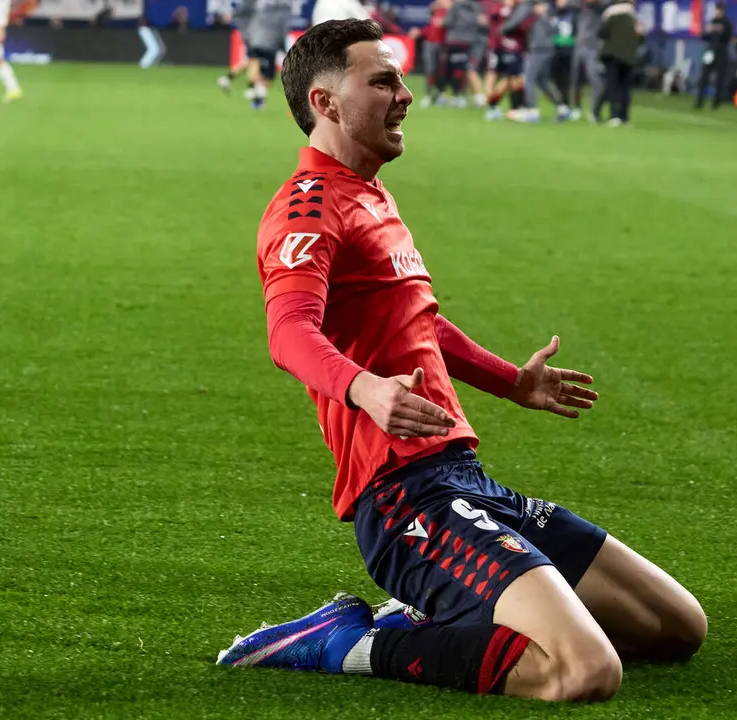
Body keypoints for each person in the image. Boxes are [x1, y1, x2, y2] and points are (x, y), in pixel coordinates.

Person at [216, 17, 707, 702]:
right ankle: (345, 642)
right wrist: (366, 391)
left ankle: (450, 613)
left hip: (465, 481)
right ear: (324, 103)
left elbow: (422, 324)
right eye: (382, 80)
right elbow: (288, 333)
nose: (405, 94)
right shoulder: (308, 206)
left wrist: (513, 382)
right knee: (584, 672)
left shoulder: (370, 194)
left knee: (676, 627)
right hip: (403, 500)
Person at [244, 0, 296, 110]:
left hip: (254, 43)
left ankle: (255, 93)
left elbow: (251, 26)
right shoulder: (281, 17)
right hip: (268, 46)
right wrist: (285, 50)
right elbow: (282, 34)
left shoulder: (261, 13)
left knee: (257, 70)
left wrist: (249, 40)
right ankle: (258, 100)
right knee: (268, 76)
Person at [598, 0, 639, 126]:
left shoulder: (611, 14)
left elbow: (602, 33)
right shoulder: (634, 17)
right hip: (628, 57)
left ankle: (614, 115)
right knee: (624, 87)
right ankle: (624, 116)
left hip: (612, 55)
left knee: (612, 86)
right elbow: (640, 37)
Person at [439, 0, 487, 108]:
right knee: (466, 70)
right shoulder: (477, 6)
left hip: (457, 42)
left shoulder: (455, 6)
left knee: (463, 70)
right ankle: (471, 97)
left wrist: (441, 22)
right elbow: (483, 23)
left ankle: (475, 97)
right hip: (473, 42)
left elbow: (447, 22)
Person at [694, 3, 733, 110]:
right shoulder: (712, 21)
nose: (717, 12)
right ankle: (699, 101)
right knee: (704, 76)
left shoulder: (727, 23)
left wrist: (719, 30)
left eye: (719, 10)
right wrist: (706, 31)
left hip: (721, 52)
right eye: (716, 10)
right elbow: (705, 36)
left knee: (719, 78)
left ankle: (716, 103)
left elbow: (727, 37)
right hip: (710, 51)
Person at [569, 0, 602, 118]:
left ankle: (594, 111)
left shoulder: (599, 9)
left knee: (595, 80)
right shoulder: (579, 8)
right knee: (576, 80)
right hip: (579, 47)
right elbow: (568, 4)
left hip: (593, 48)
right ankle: (576, 108)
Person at [218, 0, 258, 93]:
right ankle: (250, 88)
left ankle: (229, 79)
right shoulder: (250, 3)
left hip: (251, 34)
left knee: (252, 60)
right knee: (253, 59)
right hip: (251, 35)